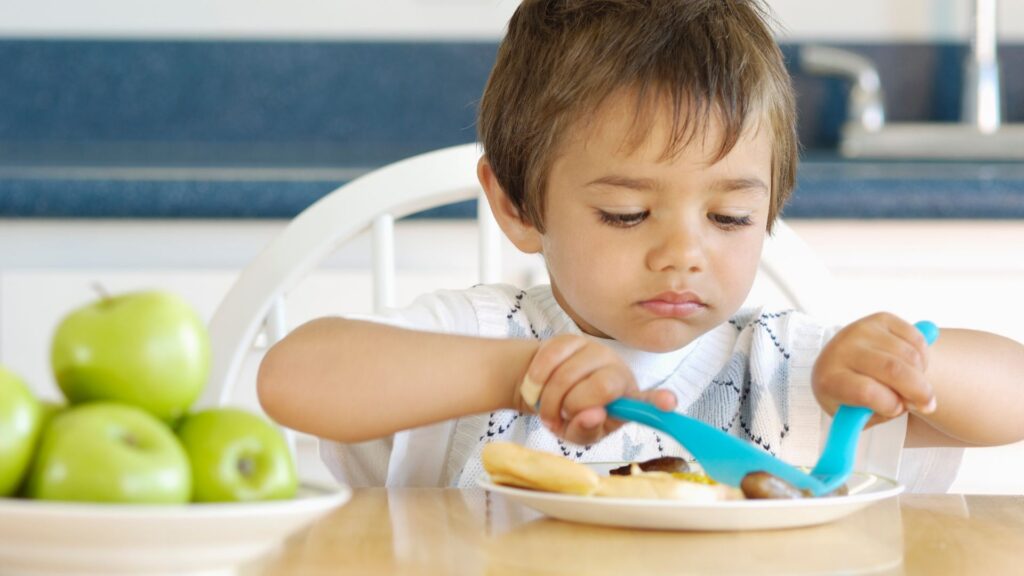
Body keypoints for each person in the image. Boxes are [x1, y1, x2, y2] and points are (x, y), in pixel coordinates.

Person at [257, 0, 1024, 491]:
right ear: (518, 205)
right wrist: (520, 375)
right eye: (626, 213)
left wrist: (904, 366)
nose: (682, 253)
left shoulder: (795, 373)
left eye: (728, 218)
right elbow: (293, 376)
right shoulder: (482, 342)